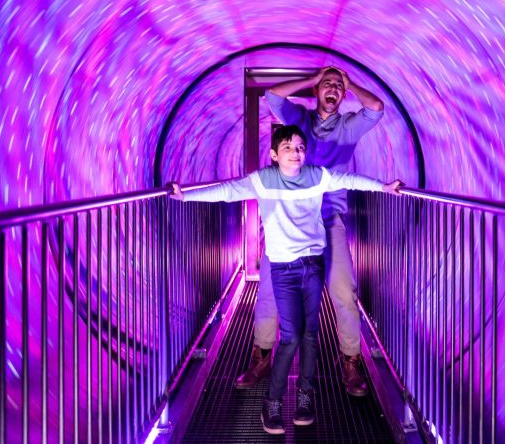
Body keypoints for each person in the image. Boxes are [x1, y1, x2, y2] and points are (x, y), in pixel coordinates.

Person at [170, 125, 403, 435]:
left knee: (310, 335)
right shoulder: (263, 180)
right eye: (288, 148)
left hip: (312, 265)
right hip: (283, 269)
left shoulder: (317, 176)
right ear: (274, 155)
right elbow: (226, 191)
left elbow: (349, 180)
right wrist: (185, 196)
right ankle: (272, 401)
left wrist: (384, 187)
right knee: (291, 336)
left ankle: (306, 397)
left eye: (300, 148)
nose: (296, 153)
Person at [235, 66, 387, 397]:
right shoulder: (300, 119)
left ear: (343, 94)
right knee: (269, 290)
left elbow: (376, 107)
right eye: (327, 84)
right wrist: (312, 79)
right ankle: (261, 356)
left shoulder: (348, 127)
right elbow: (272, 95)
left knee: (343, 290)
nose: (332, 88)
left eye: (338, 86)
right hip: (290, 221)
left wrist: (350, 83)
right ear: (317, 90)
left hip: (329, 219)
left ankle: (351, 362)